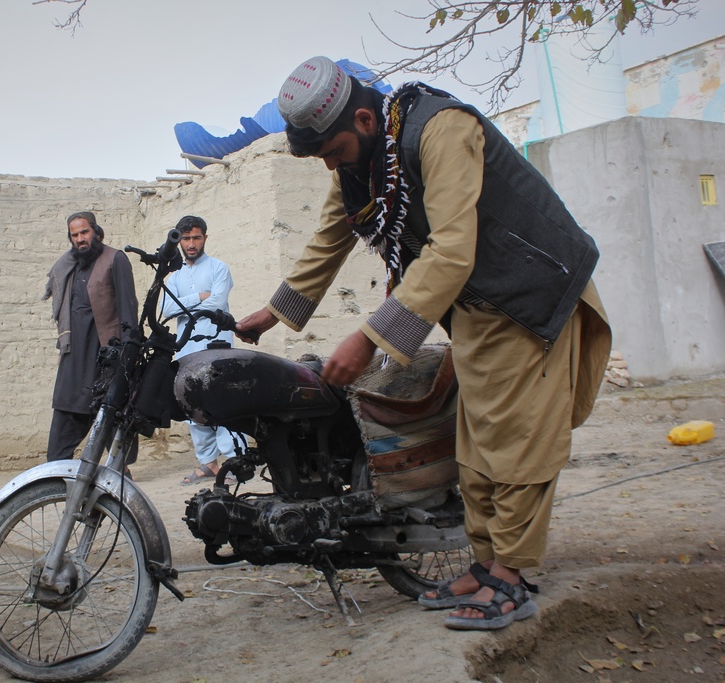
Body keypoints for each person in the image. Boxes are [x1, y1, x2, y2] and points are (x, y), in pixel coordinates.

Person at [237, 56, 612, 631]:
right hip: (478, 311)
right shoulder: (363, 163)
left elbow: (452, 250)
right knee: (476, 446)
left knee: (516, 442)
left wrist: (370, 339)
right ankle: (487, 565)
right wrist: (274, 311)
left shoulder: (442, 130)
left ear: (363, 119)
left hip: (532, 296)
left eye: (334, 152)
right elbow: (328, 239)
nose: (332, 166)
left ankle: (511, 578)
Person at [43, 211, 139, 465]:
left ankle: (118, 484)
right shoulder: (68, 266)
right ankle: (60, 485)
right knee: (60, 435)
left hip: (105, 358)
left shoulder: (115, 259)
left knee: (110, 423)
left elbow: (129, 311)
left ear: (96, 231)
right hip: (74, 358)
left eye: (84, 232)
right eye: (74, 235)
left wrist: (127, 356)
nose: (80, 239)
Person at [161, 215, 243, 486]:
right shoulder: (174, 277)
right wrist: (199, 297)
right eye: (186, 239)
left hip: (217, 345)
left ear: (205, 238)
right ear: (180, 241)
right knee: (193, 406)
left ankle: (235, 463)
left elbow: (217, 303)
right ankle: (208, 463)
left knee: (223, 404)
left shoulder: (219, 268)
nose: (191, 243)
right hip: (188, 348)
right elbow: (165, 309)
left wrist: (198, 301)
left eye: (196, 237)